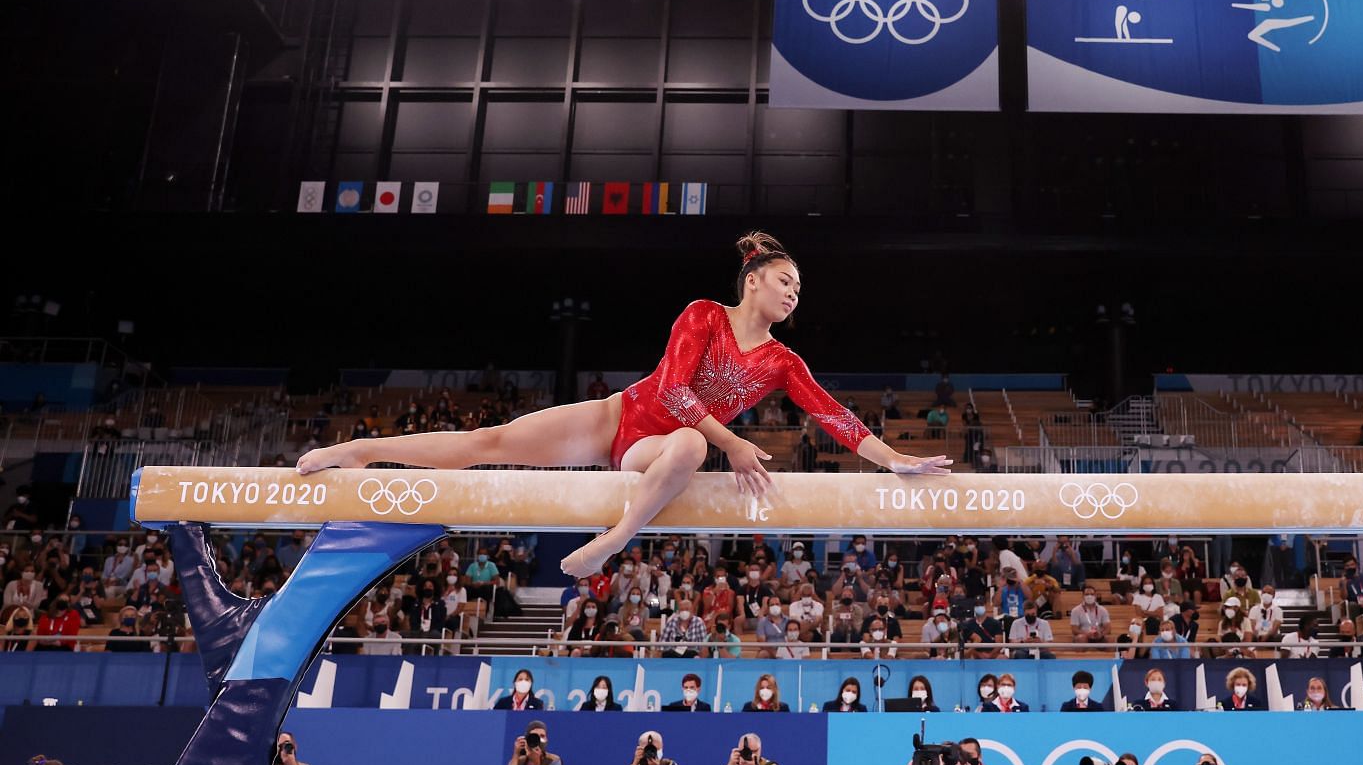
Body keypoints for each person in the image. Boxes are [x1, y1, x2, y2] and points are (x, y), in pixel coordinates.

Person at [296, 233, 953, 576]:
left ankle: (613, 541)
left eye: (800, 290)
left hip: (661, 449)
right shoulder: (702, 314)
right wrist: (733, 441)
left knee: (693, 445)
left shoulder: (784, 362)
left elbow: (832, 415)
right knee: (488, 444)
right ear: (752, 280)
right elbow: (671, 388)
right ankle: (359, 450)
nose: (794, 295)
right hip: (620, 417)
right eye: (786, 282)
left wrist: (892, 457)